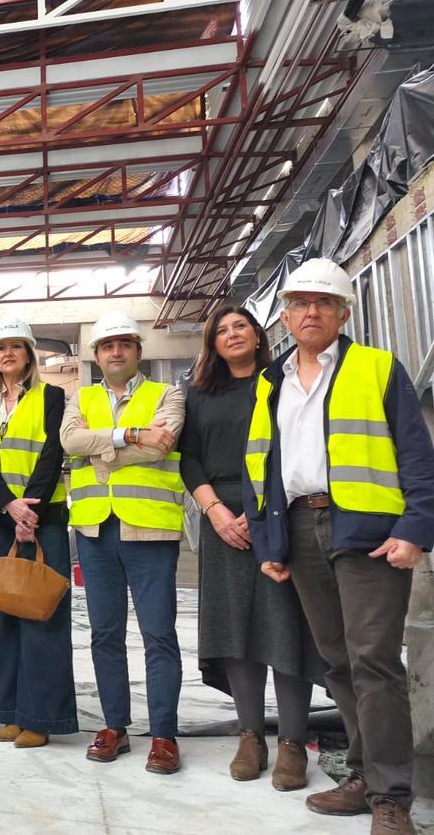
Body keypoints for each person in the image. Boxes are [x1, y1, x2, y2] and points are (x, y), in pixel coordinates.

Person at [245, 258, 434, 835]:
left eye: (323, 303)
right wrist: (269, 542)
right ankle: (362, 773)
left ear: (343, 312)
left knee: (373, 660)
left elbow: (417, 457)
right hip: (300, 531)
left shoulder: (377, 368)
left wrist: (414, 532)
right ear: (284, 316)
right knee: (336, 661)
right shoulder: (270, 379)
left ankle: (390, 797)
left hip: (369, 533)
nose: (310, 312)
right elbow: (263, 465)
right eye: (300, 302)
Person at [180, 304, 324, 788]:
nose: (232, 333)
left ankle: (291, 744)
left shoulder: (284, 381)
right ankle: (250, 736)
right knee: (234, 630)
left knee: (286, 628)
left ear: (258, 334)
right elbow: (189, 460)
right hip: (224, 517)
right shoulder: (198, 395)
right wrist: (215, 511)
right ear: (212, 344)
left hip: (280, 512)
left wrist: (262, 510)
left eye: (240, 324)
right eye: (221, 330)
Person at [60, 310, 186, 774]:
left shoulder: (166, 394)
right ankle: (115, 727)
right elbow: (70, 442)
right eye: (108, 345)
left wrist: (103, 450)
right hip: (95, 530)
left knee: (159, 635)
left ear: (138, 351)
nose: (116, 351)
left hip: (149, 529)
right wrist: (129, 435)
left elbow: (163, 445)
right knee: (105, 634)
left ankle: (164, 735)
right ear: (96, 355)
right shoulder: (81, 397)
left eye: (125, 344)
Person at [0, 317, 77, 749]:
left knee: (42, 618)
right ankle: (9, 710)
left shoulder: (53, 396)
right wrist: (7, 504)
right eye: (0, 348)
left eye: (16, 346)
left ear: (30, 355)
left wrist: (27, 508)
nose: (8, 353)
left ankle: (41, 716)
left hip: (41, 517)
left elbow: (53, 452)